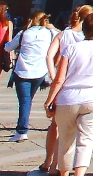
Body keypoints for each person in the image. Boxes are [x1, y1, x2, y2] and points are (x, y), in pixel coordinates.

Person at [44, 11, 93, 176]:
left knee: (65, 139)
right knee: (86, 140)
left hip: (69, 98)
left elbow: (59, 79)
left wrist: (50, 100)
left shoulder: (72, 48)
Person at [6, 11, 57, 141]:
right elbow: (63, 36)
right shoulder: (50, 33)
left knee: (25, 101)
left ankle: (22, 130)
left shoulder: (24, 33)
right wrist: (52, 27)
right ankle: (22, 126)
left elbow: (8, 47)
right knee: (28, 99)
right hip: (40, 72)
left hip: (22, 71)